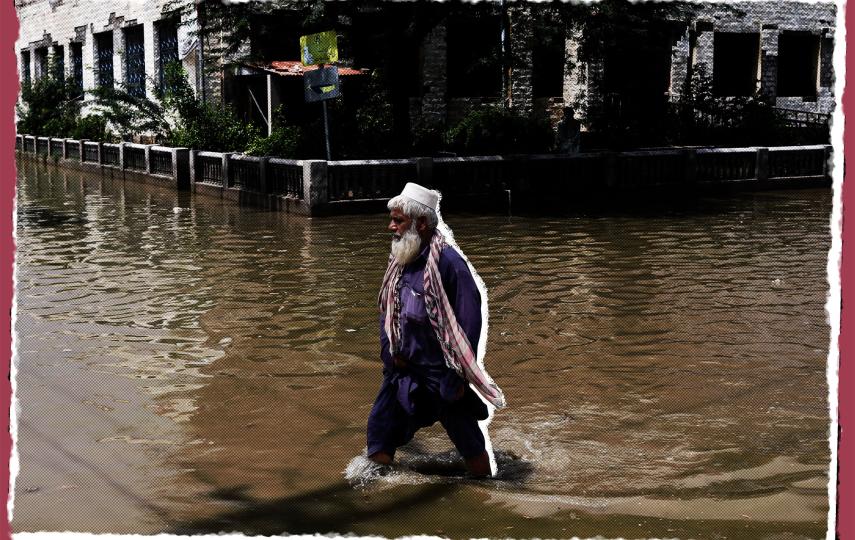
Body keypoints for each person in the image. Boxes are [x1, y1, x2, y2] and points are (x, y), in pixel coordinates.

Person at [367, 182, 505, 477]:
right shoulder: (401, 257)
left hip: (439, 372)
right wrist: (388, 353)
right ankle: (376, 491)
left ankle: (488, 490)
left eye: (398, 220)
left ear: (421, 223)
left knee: (468, 440)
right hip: (401, 368)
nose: (391, 227)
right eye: (391, 219)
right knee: (380, 431)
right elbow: (388, 310)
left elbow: (469, 321)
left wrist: (456, 374)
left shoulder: (449, 263)